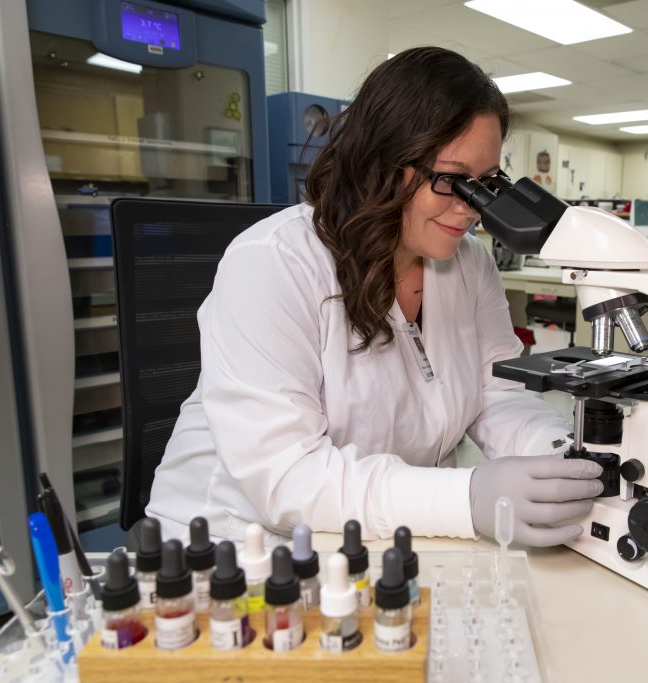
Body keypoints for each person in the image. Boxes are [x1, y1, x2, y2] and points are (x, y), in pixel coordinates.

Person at [146, 47, 603, 547]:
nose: (473, 209)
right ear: (378, 162)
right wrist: (465, 498)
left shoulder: (471, 264)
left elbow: (497, 397)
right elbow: (288, 476)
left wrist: (567, 457)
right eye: (451, 180)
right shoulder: (273, 262)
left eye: (487, 183)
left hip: (387, 533)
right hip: (239, 548)